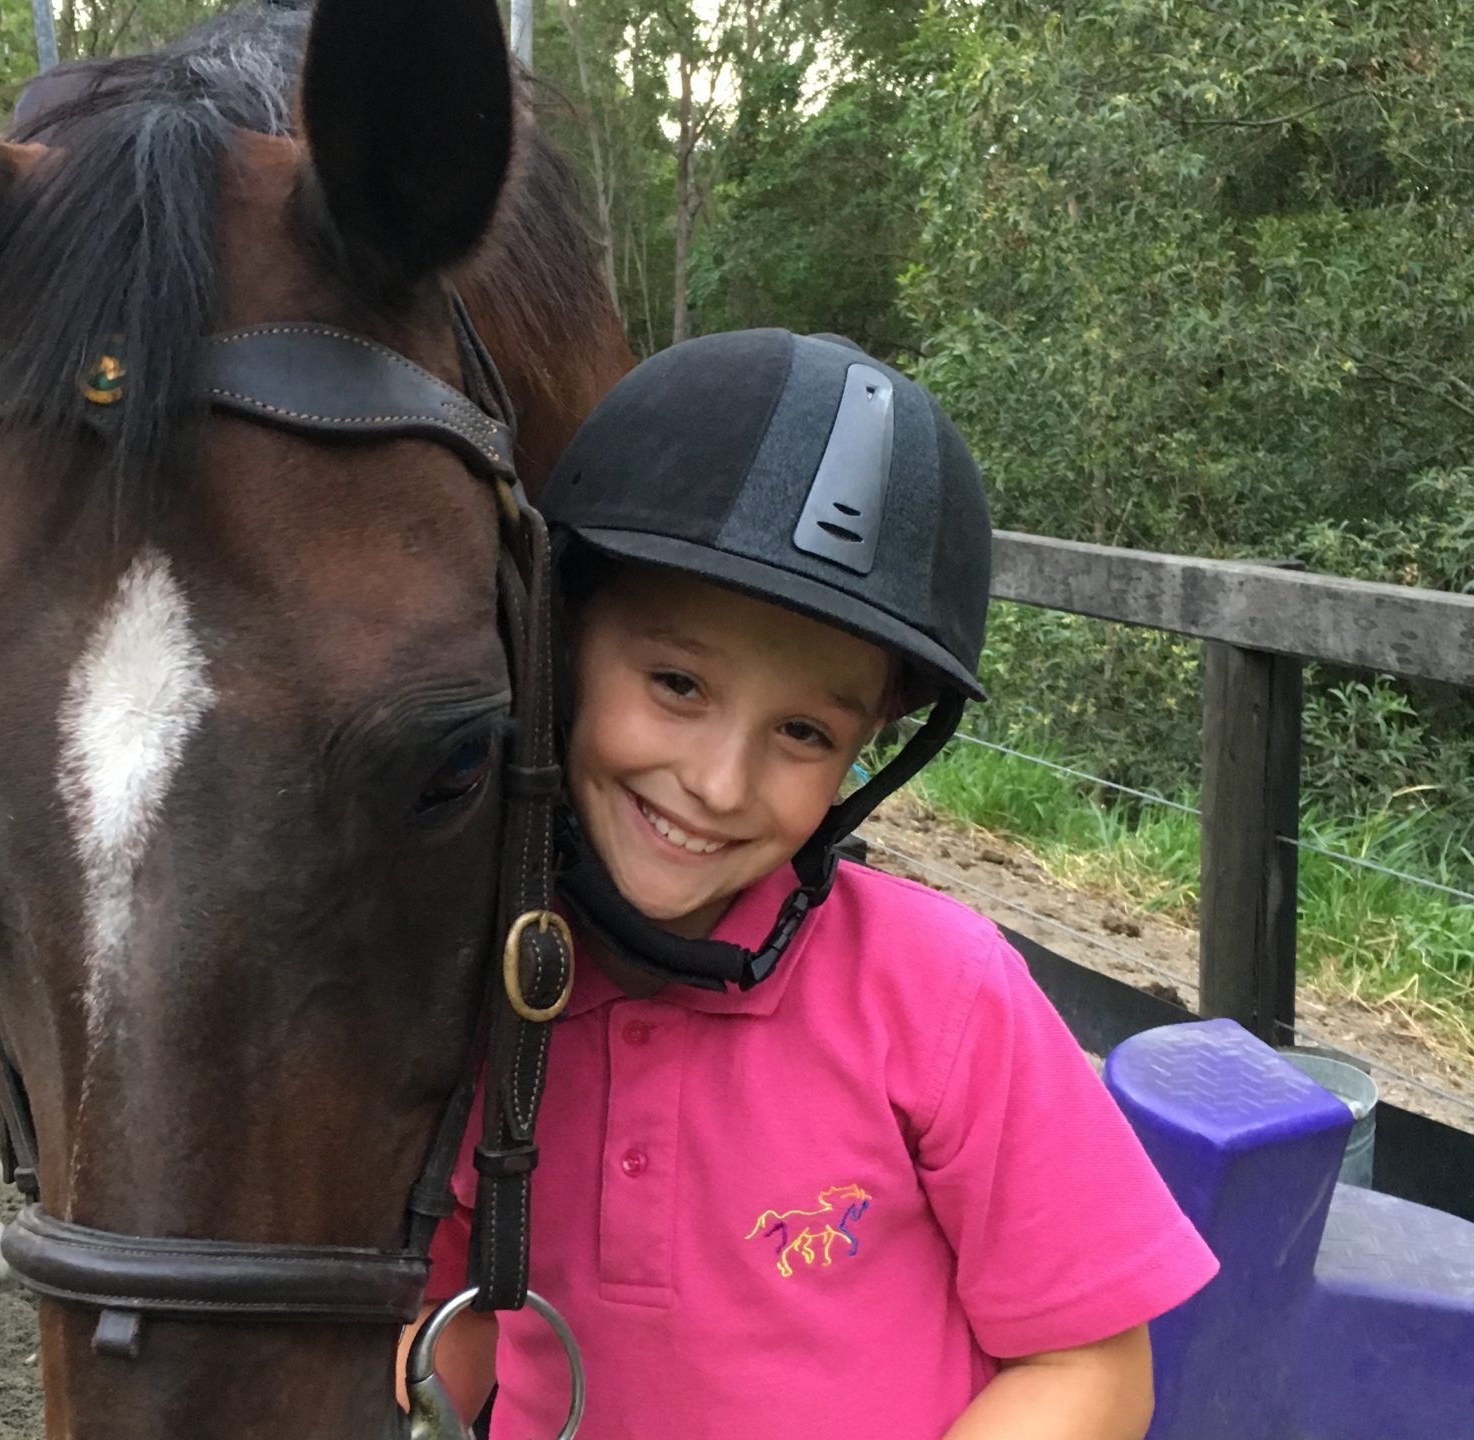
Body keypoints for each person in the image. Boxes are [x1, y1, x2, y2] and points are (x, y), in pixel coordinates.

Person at [407, 330, 1218, 1439]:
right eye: (678, 682)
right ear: (562, 641)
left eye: (801, 730)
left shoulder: (943, 994)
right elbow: (454, 1321)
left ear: (867, 749)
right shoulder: (491, 979)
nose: (717, 782)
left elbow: (1092, 1369)